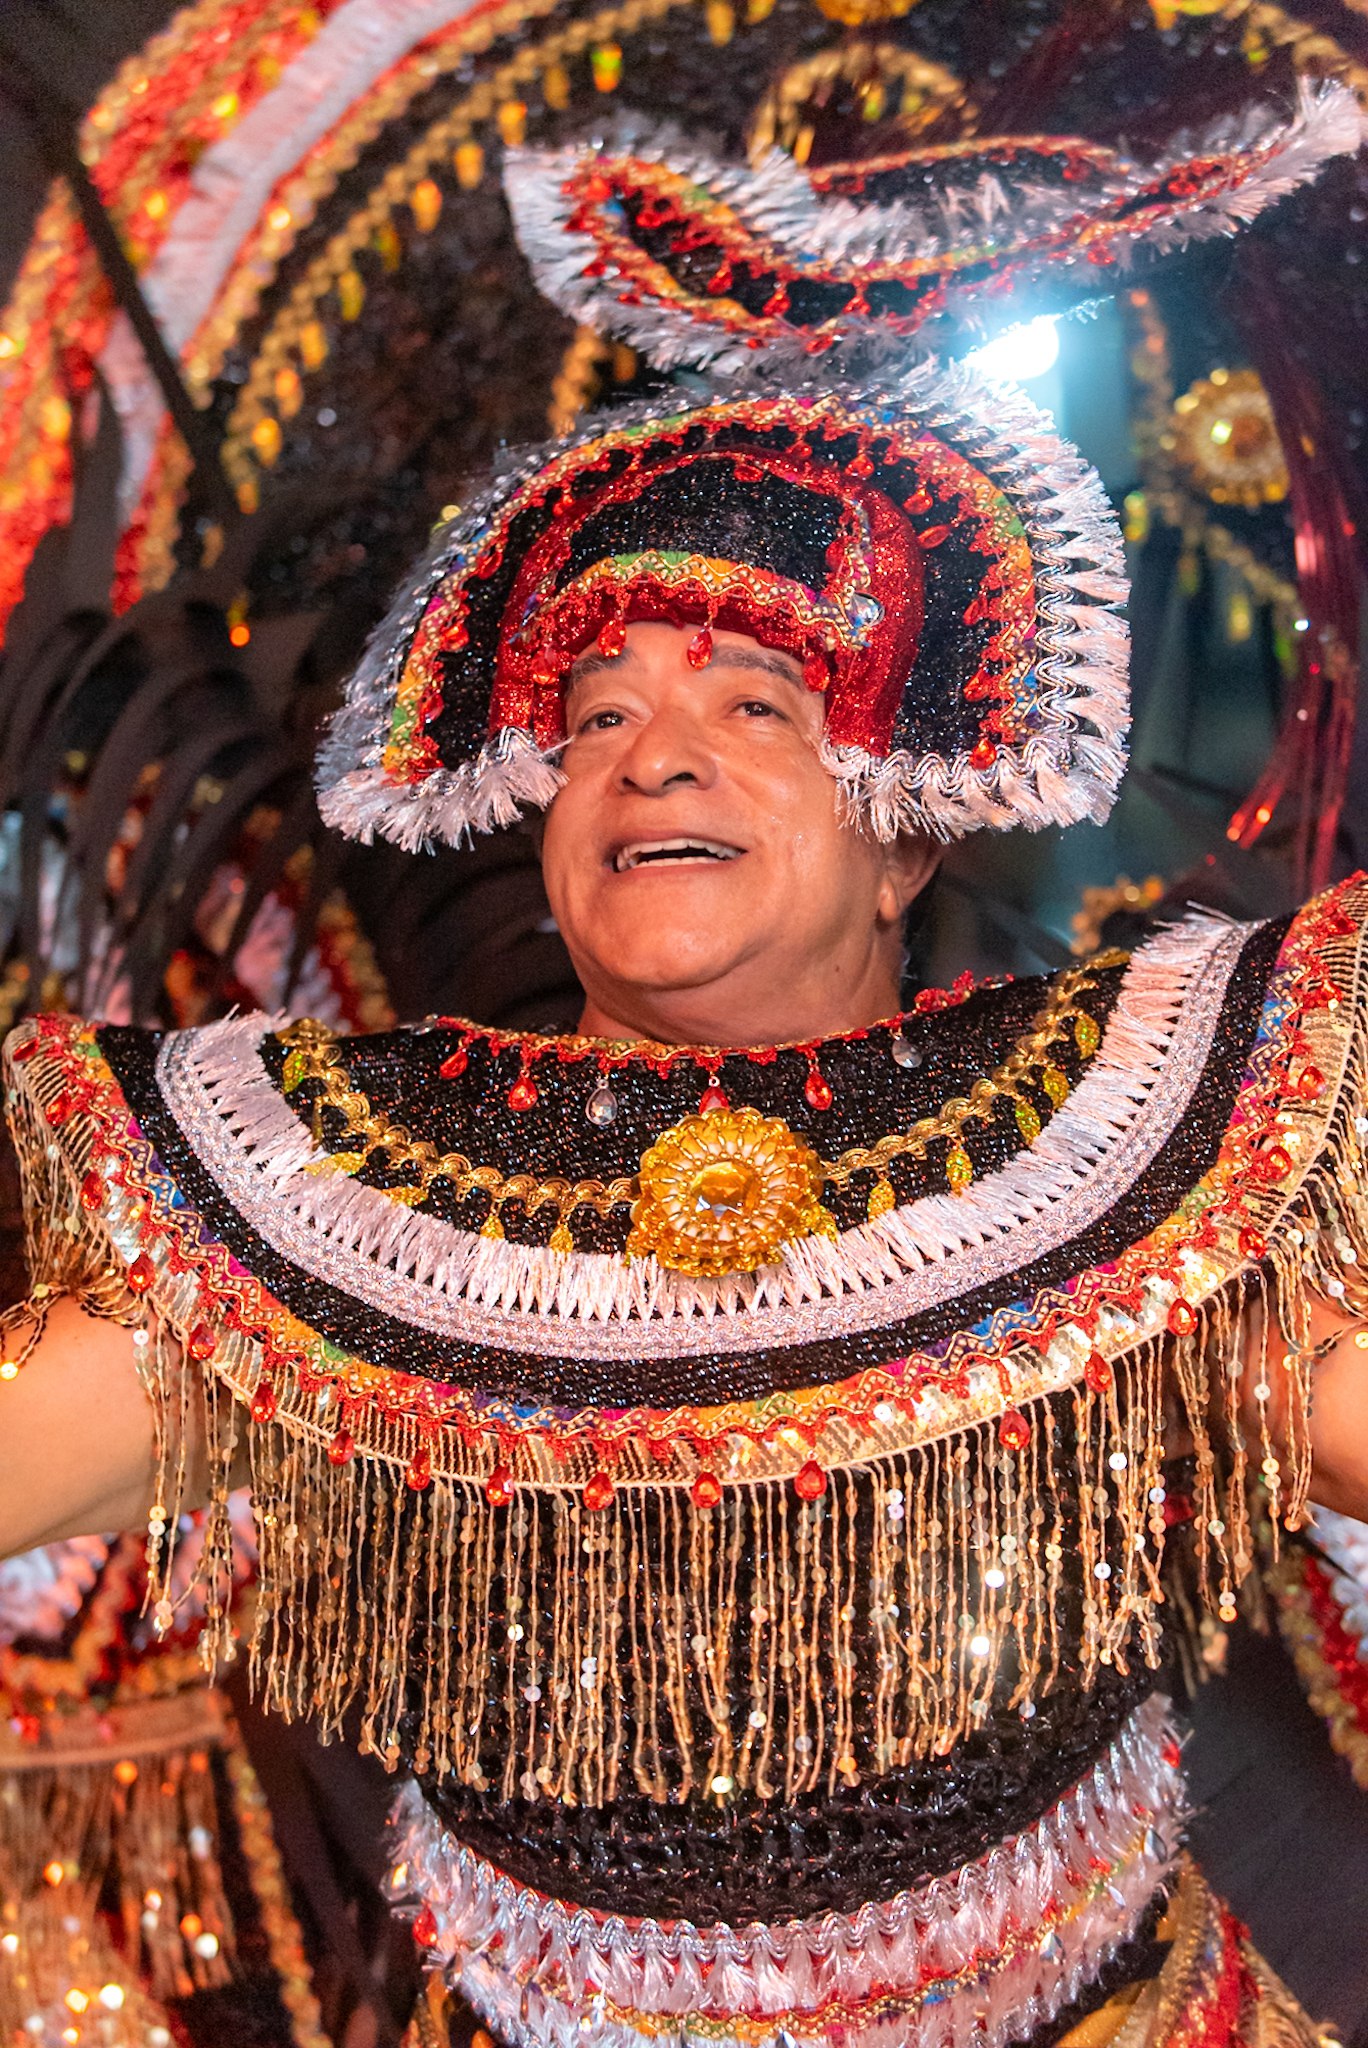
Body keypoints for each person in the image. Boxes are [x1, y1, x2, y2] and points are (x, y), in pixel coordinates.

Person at [5, 118, 1368, 2048]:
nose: (653, 758)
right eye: (598, 717)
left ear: (904, 835)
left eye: (755, 706)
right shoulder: (332, 1205)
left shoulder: (1114, 1155)